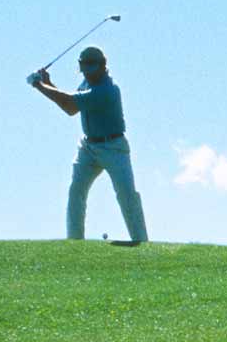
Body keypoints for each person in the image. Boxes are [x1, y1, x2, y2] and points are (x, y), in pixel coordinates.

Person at [27, 46, 149, 243]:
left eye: (92, 68)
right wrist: (48, 83)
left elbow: (69, 105)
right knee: (76, 191)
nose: (88, 73)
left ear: (103, 66)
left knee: (126, 194)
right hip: (88, 147)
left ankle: (141, 241)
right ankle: (74, 242)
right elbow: (70, 105)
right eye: (85, 69)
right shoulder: (87, 82)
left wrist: (39, 85)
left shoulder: (106, 90)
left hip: (114, 147)